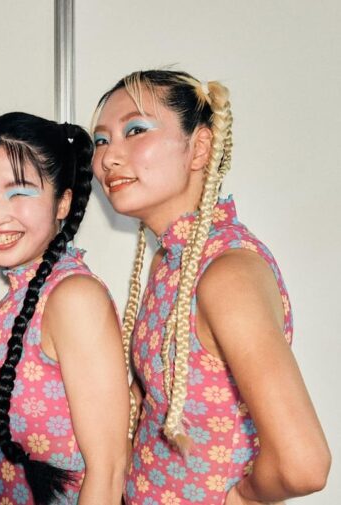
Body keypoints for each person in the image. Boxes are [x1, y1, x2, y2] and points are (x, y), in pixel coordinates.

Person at [90, 69, 331, 504]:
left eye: (136, 130)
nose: (108, 157)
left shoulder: (226, 273)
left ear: (200, 147)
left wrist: (244, 498)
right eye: (101, 140)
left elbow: (305, 465)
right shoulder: (172, 258)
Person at [0, 112, 128, 504]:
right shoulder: (9, 306)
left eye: (19, 192)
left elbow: (108, 472)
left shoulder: (74, 298)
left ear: (62, 203)